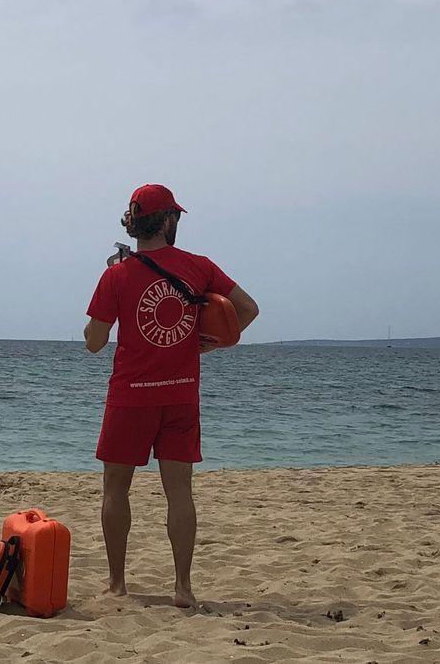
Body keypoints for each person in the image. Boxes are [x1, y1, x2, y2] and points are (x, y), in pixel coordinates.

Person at [83, 184, 259, 608]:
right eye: (175, 216)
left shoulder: (116, 274)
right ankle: (182, 588)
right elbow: (248, 309)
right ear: (165, 220)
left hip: (130, 397)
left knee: (115, 489)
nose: (177, 222)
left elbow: (93, 342)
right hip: (181, 397)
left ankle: (117, 584)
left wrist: (106, 316)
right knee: (180, 492)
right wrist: (211, 342)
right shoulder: (199, 267)